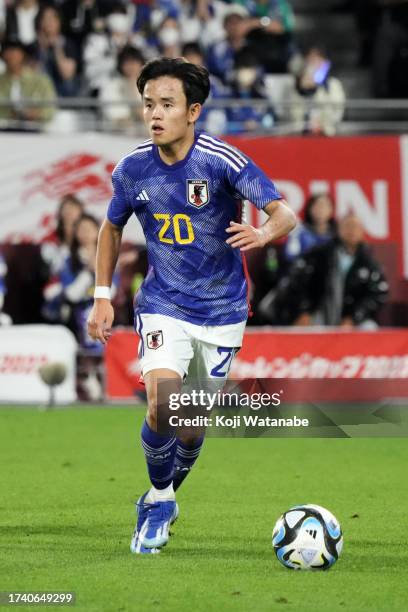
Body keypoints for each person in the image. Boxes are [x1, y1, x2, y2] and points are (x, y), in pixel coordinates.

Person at [86, 57, 296, 554]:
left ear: (193, 110)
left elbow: (283, 212)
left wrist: (263, 232)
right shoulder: (133, 168)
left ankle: (162, 495)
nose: (154, 114)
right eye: (148, 104)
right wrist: (101, 297)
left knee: (191, 425)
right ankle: (158, 502)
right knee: (162, 403)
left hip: (222, 311)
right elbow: (111, 227)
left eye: (167, 104)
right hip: (163, 303)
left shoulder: (221, 161)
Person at [269, 213, 388, 327]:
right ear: (338, 229)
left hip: (355, 321)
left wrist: (354, 318)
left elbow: (378, 293)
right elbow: (299, 283)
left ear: (362, 231)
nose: (351, 230)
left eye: (355, 227)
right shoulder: (320, 254)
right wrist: (303, 311)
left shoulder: (369, 263)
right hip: (317, 315)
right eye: (347, 226)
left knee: (369, 328)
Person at [287, 47, 346, 136]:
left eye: (317, 59)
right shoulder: (298, 85)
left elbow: (337, 112)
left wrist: (322, 125)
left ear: (326, 63)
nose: (313, 62)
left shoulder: (333, 84)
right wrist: (303, 91)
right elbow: (294, 113)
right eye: (310, 59)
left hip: (327, 134)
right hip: (302, 135)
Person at [0, 37, 56, 126]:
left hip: (34, 133)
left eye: (14, 51)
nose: (10, 55)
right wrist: (9, 115)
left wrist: (36, 114)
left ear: (23, 55)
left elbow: (50, 110)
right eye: (7, 51)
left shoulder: (41, 81)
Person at [283, 193, 336, 262]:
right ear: (309, 209)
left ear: (331, 210)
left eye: (324, 206)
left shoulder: (338, 234)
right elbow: (290, 256)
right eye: (317, 206)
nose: (321, 210)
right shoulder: (298, 232)